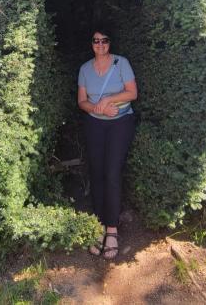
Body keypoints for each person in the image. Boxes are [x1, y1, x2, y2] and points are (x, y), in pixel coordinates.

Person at [78, 27, 137, 259]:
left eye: (104, 40)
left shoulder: (121, 63)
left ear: (110, 43)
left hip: (120, 122)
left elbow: (132, 93)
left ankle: (111, 229)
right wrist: (98, 108)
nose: (100, 44)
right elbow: (82, 101)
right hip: (95, 123)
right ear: (91, 44)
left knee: (112, 173)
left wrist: (108, 99)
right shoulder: (84, 69)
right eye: (95, 40)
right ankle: (98, 226)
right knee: (96, 172)